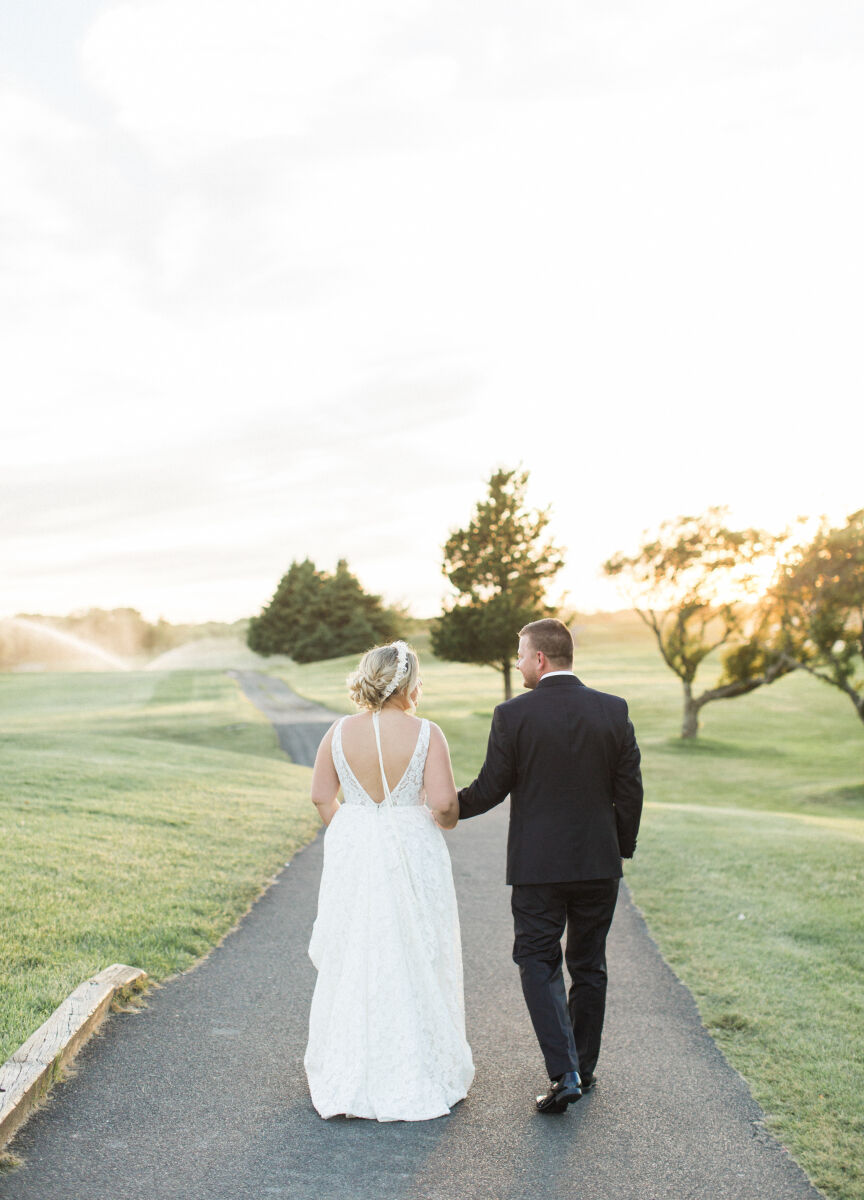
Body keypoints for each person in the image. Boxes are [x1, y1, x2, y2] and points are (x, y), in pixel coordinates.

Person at [458, 618, 643, 1114]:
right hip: (598, 865)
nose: (517, 663)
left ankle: (565, 1074)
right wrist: (616, 848)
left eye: (520, 654)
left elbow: (489, 788)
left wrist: (442, 808)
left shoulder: (513, 714)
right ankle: (584, 1065)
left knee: (538, 962)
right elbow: (630, 791)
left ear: (539, 659)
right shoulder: (613, 709)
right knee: (588, 965)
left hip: (538, 868)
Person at [304, 640, 474, 1121]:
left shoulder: (338, 732)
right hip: (411, 845)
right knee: (417, 947)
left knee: (357, 948)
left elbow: (321, 795)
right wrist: (446, 820)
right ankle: (415, 1063)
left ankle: (350, 1064)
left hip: (356, 846)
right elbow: (442, 805)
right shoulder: (426, 733)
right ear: (407, 683)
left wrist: (351, 830)